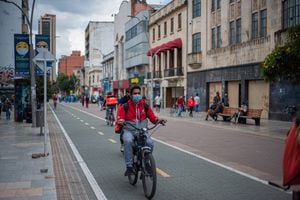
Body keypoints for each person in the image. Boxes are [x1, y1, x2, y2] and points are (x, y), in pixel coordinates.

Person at [117, 85, 166, 176]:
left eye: (139, 93)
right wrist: (121, 121)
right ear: (130, 95)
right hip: (129, 131)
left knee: (150, 143)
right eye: (135, 93)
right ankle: (129, 167)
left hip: (142, 131)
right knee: (127, 141)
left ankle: (146, 162)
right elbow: (120, 118)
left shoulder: (145, 106)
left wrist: (158, 120)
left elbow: (152, 117)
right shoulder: (125, 106)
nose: (137, 95)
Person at [282, 112, 300, 199]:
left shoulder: (293, 128)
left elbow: (286, 140)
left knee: (296, 191)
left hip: (292, 169)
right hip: (297, 169)